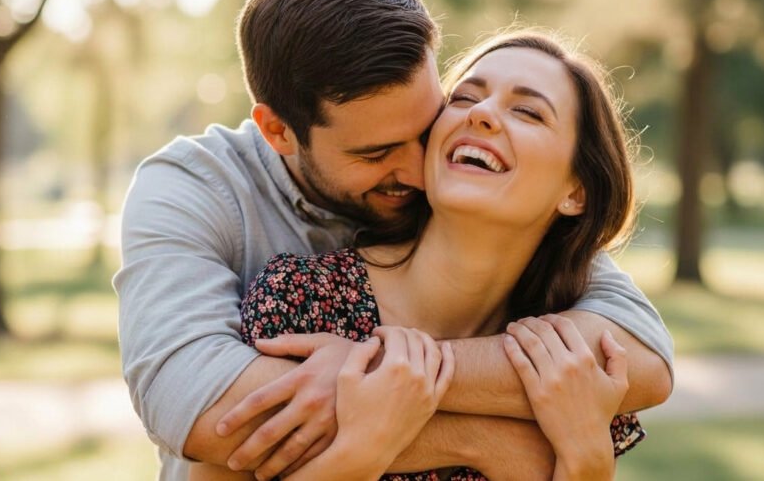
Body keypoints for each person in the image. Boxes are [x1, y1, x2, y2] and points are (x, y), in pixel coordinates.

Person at [115, 0, 673, 481]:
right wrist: (485, 442)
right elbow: (199, 407)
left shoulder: (534, 282)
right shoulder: (210, 206)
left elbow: (641, 363)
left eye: (427, 124)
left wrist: (386, 372)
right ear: (280, 131)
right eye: (376, 153)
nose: (413, 170)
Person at [192, 29, 646, 481]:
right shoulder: (303, 300)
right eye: (465, 98)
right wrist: (361, 451)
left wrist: (588, 462)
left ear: (577, 191)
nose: (483, 113)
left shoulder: (566, 367)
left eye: (527, 111)